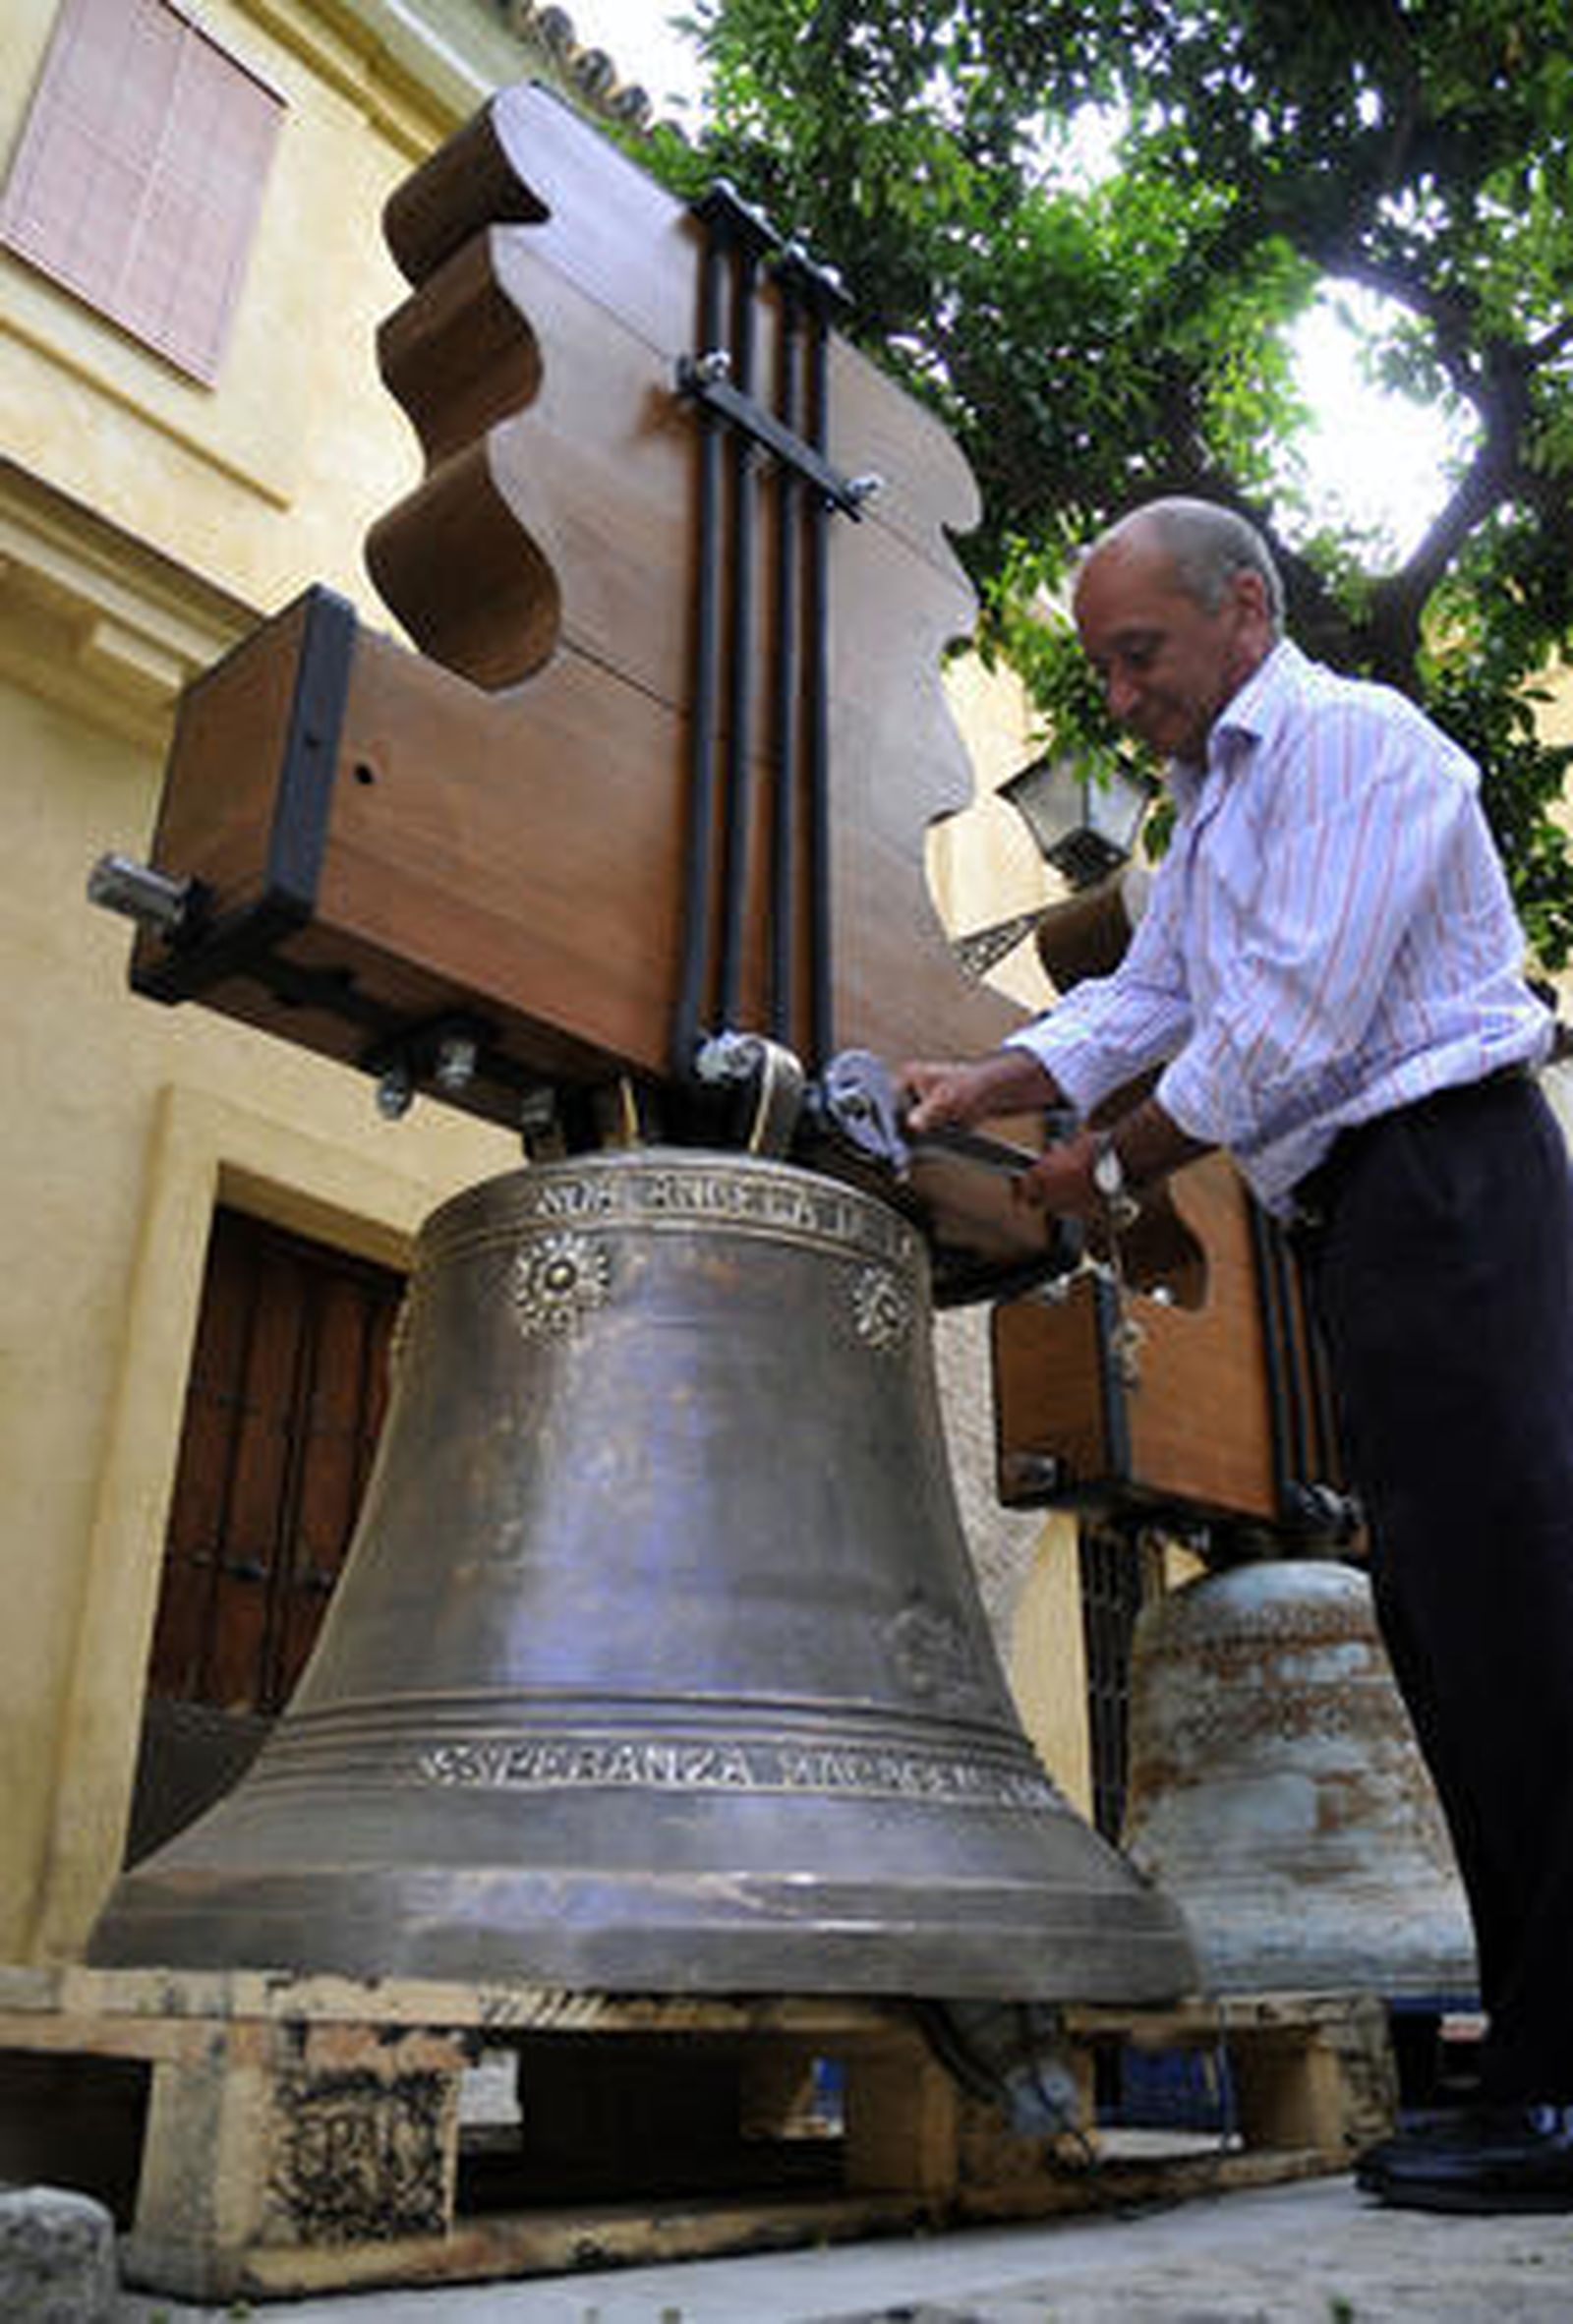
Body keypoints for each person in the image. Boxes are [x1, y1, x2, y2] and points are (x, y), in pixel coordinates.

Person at [904, 496, 1573, 2214]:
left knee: (1518, 1626)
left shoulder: (1354, 746)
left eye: (1139, 657)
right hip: (1369, 1229)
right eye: (1104, 667)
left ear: (1245, 612)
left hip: (1455, 1196)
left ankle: (1562, 2093)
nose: (1118, 698)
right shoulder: (1212, 813)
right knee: (1445, 1633)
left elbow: (1286, 1028)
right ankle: (1542, 2066)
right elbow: (1161, 998)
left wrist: (1107, 1164)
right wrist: (993, 1082)